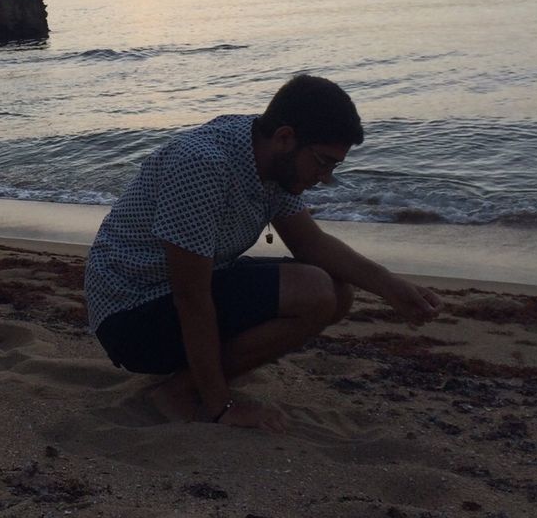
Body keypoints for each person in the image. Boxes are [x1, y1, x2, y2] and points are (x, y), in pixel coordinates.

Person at [84, 74, 441, 428]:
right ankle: (181, 392)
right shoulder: (204, 164)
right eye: (322, 162)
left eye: (334, 167)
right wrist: (220, 405)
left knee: (337, 290)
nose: (324, 177)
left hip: (175, 292)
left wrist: (391, 287)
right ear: (286, 138)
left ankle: (191, 382)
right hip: (129, 311)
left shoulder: (268, 157)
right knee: (314, 292)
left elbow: (310, 243)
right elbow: (190, 295)